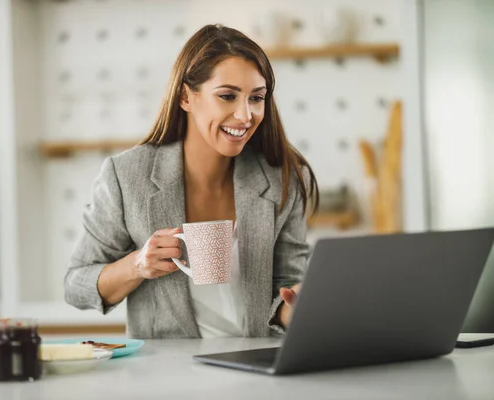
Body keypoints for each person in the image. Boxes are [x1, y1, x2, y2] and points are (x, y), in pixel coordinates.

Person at [64, 24, 319, 339]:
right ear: (186, 96)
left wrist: (294, 308)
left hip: (254, 369)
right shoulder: (128, 176)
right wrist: (138, 265)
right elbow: (76, 286)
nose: (246, 115)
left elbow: (286, 289)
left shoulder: (283, 178)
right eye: (227, 96)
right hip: (167, 377)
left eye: (257, 98)